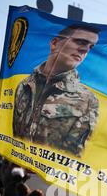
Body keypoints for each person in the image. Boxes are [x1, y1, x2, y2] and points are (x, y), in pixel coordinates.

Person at [12, 24, 100, 157]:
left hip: (44, 177)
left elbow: (73, 157)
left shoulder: (87, 101)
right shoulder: (24, 85)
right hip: (15, 171)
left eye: (90, 46)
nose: (84, 50)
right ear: (54, 43)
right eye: (80, 42)